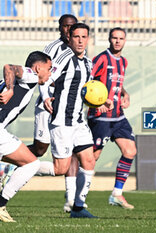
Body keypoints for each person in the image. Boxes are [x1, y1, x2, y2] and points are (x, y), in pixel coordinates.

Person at [39, 23, 108, 218]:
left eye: (83, 37)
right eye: (76, 36)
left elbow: (85, 92)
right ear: (69, 38)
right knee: (60, 168)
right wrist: (45, 96)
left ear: (88, 39)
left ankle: (78, 207)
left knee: (89, 161)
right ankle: (15, 167)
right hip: (61, 121)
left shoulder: (88, 63)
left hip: (78, 121)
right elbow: (45, 79)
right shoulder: (63, 59)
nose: (80, 40)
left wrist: (101, 102)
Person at [27, 14, 82, 213]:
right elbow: (43, 75)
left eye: (72, 26)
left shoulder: (79, 50)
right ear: (60, 28)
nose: (69, 30)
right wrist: (46, 97)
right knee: (40, 149)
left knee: (73, 150)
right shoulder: (52, 48)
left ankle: (72, 199)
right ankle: (11, 162)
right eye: (66, 26)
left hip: (68, 110)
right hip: (47, 106)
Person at [0, 51, 52, 222]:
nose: (50, 73)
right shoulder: (30, 76)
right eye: (49, 68)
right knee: (31, 164)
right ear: (38, 68)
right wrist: (9, 89)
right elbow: (9, 67)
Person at [88, 27, 136, 209]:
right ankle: (75, 197)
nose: (117, 41)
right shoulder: (101, 59)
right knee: (92, 158)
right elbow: (87, 81)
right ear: (109, 39)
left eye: (121, 38)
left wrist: (125, 93)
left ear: (125, 40)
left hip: (118, 116)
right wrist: (94, 103)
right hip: (100, 116)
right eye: (114, 38)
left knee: (130, 150)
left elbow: (117, 83)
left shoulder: (123, 61)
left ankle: (116, 194)